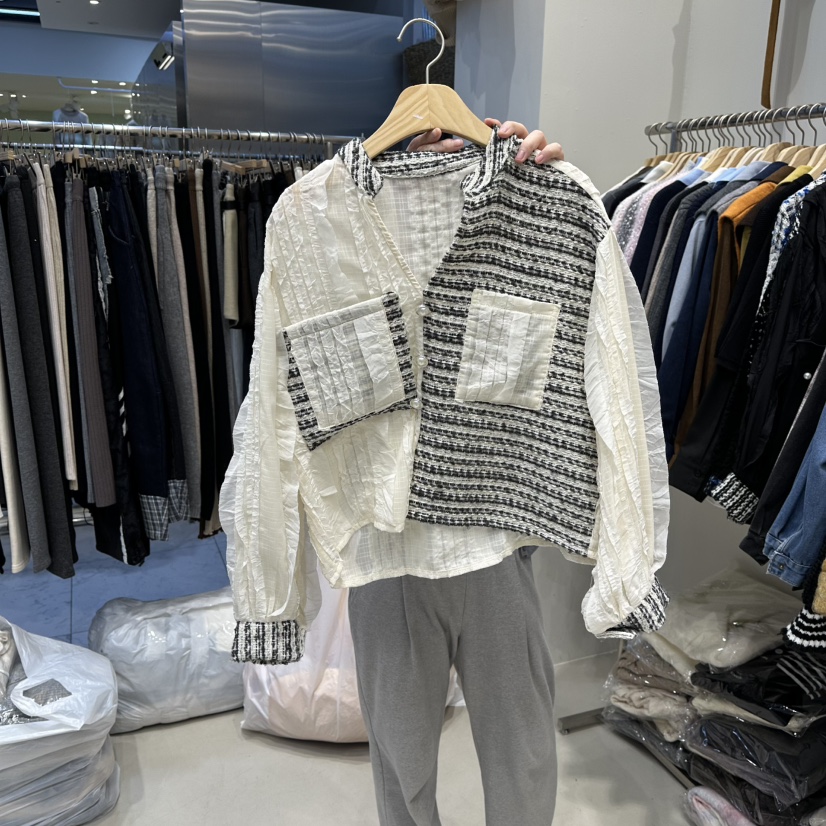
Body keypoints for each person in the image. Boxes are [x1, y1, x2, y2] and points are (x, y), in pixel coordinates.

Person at [347, 119, 567, 826]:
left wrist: (540, 190)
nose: (437, 155)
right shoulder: (336, 220)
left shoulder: (528, 209)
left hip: (495, 543)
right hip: (386, 547)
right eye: (418, 149)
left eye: (454, 145)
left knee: (523, 752)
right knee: (401, 761)